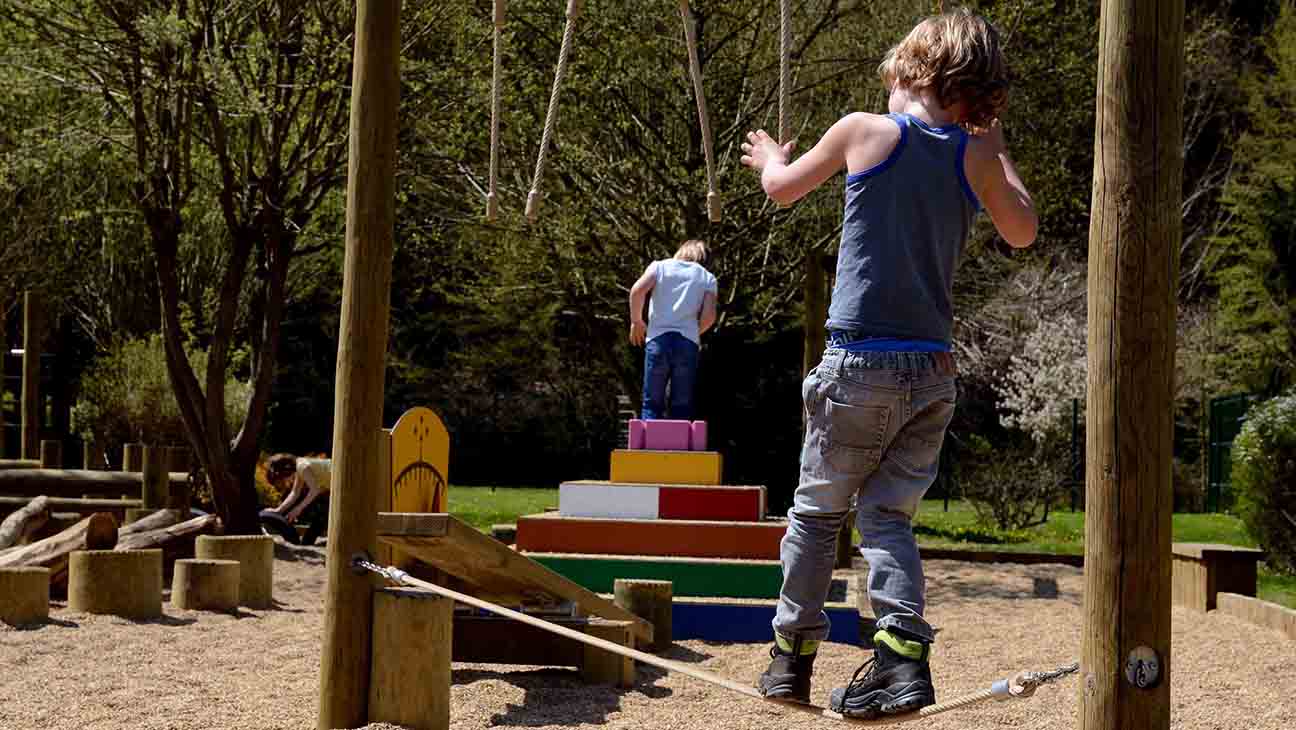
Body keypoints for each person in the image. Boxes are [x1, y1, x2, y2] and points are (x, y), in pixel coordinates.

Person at [739, 7, 1037, 718]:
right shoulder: (973, 157)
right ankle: (902, 661)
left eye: (893, 82)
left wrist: (768, 161)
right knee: (888, 520)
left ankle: (791, 660)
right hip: (932, 372)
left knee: (816, 514)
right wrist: (996, 150)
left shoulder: (864, 130)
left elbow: (783, 189)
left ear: (915, 75)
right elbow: (1022, 230)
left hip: (858, 364)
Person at [628, 239, 719, 421]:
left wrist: (636, 321)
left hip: (658, 339)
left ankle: (649, 444)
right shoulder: (707, 278)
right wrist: (694, 332)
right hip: (687, 343)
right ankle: (679, 444)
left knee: (652, 401)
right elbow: (709, 316)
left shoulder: (660, 267)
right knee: (681, 402)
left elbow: (637, 291)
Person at [261, 453, 331, 545]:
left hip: (345, 481)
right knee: (321, 515)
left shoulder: (302, 466)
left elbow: (314, 490)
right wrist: (278, 510)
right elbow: (295, 493)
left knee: (322, 514)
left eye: (282, 480)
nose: (286, 483)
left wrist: (298, 509)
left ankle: (308, 542)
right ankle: (307, 543)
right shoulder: (300, 468)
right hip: (332, 486)